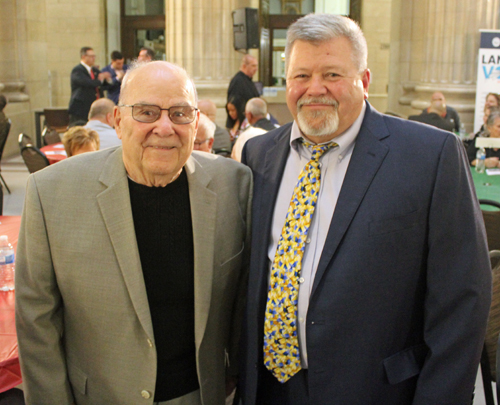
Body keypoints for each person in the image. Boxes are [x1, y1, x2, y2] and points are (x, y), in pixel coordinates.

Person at [240, 14, 491, 405]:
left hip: (377, 392)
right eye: (301, 76)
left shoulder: (429, 156)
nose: (315, 89)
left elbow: (462, 303)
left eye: (333, 75)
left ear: (365, 81)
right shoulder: (259, 153)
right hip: (271, 389)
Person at [16, 61, 252, 405]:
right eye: (146, 112)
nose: (164, 127)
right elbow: (36, 324)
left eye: (180, 113)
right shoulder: (50, 193)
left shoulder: (235, 185)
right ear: (117, 121)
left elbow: (242, 295)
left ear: (197, 121)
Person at [68, 47, 111, 123]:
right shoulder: (77, 70)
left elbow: (102, 85)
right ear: (84, 57)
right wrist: (100, 80)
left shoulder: (95, 70)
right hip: (81, 108)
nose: (94, 58)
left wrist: (106, 79)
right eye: (91, 56)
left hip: (95, 107)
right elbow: (87, 83)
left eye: (94, 56)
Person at [231, 98, 271, 162]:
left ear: (249, 115)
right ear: (266, 113)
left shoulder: (245, 136)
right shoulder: (280, 130)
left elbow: (237, 162)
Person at [226, 55, 260, 129]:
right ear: (244, 66)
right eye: (253, 66)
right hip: (240, 125)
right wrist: (238, 123)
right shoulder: (238, 81)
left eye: (256, 66)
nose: (256, 69)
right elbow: (235, 104)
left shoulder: (248, 80)